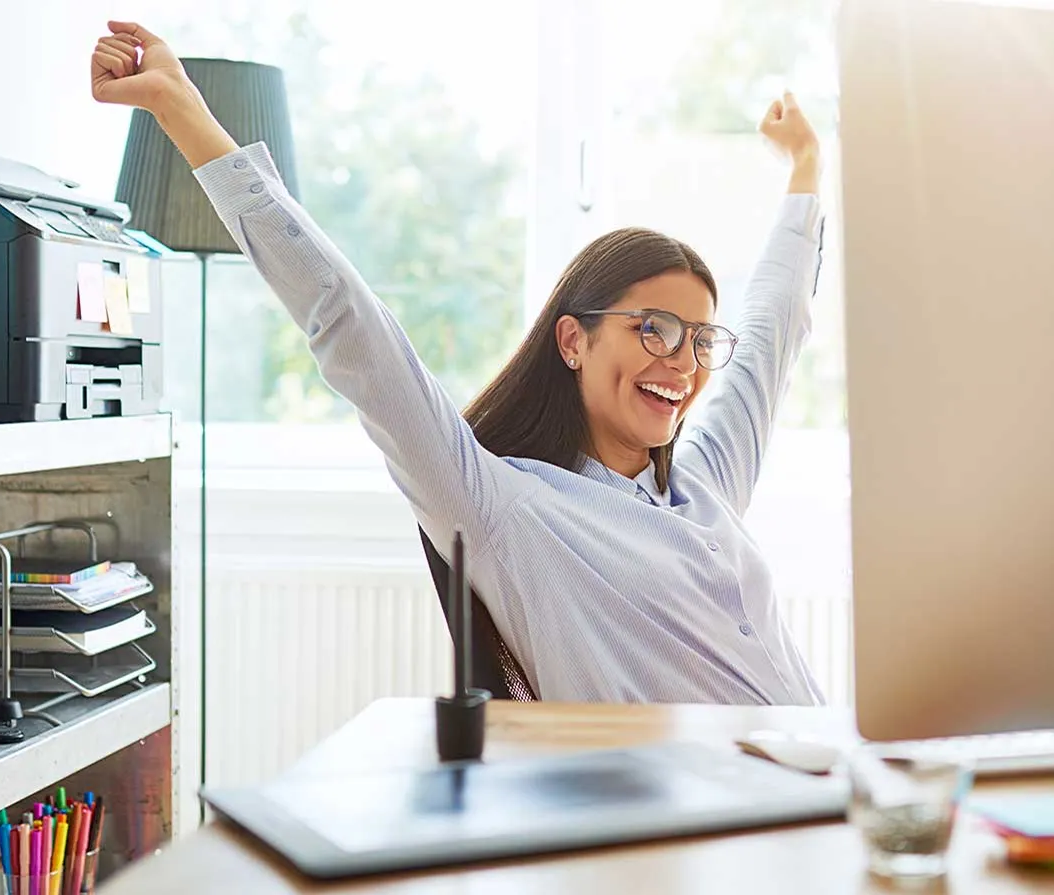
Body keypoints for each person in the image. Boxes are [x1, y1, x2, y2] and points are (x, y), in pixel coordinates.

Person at [91, 21, 827, 704]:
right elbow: (355, 332)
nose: (684, 361)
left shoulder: (706, 484)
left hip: (835, 780)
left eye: (700, 340)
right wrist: (181, 112)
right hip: (709, 818)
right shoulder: (509, 509)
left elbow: (771, 331)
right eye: (656, 329)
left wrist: (807, 165)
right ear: (574, 341)